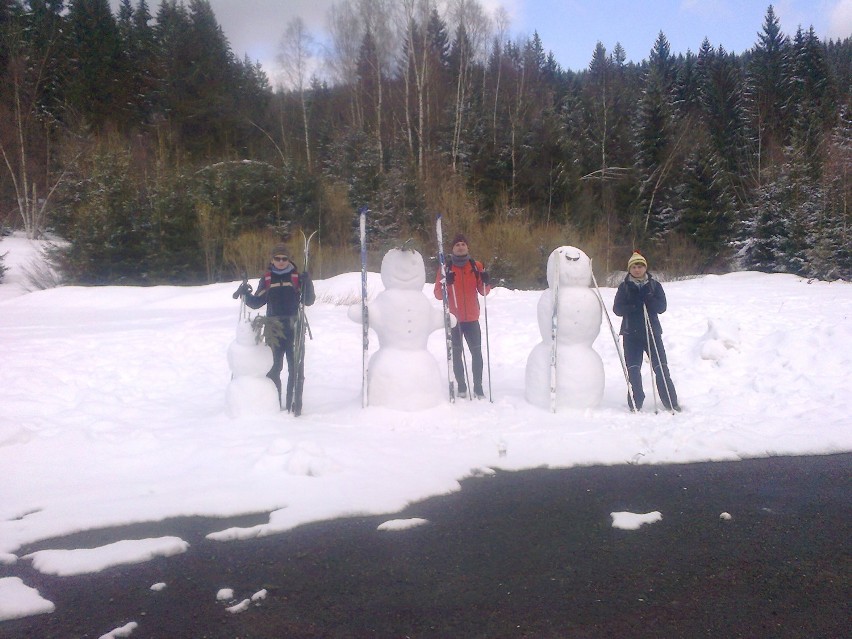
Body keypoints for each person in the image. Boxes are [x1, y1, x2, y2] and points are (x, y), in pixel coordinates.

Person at [236, 243, 315, 412]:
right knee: (273, 369)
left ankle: (296, 405)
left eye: (284, 259)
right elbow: (257, 302)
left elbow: (308, 301)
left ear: (289, 260)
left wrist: (308, 282)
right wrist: (245, 294)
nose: (281, 261)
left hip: (294, 326)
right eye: (277, 258)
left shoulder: (296, 277)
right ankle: (275, 405)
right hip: (273, 328)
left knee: (296, 368)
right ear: (272, 260)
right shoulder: (267, 279)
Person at [612, 251, 680, 412]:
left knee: (661, 368)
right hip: (631, 334)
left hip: (652, 332)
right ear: (629, 269)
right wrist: (634, 305)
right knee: (633, 369)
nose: (637, 270)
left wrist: (649, 298)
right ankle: (636, 401)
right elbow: (617, 309)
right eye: (634, 267)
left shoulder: (654, 286)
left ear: (645, 268)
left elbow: (662, 307)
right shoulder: (624, 287)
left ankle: (670, 401)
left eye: (640, 266)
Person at [434, 233, 491, 399]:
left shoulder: (476, 265)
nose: (460, 247)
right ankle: (461, 386)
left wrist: (486, 280)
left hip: (472, 318)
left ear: (467, 247)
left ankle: (478, 386)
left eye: (463, 244)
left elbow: (484, 291)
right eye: (457, 244)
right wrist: (447, 283)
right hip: (454, 319)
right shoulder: (445, 268)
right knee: (456, 354)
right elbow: (438, 294)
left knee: (477, 353)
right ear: (453, 248)